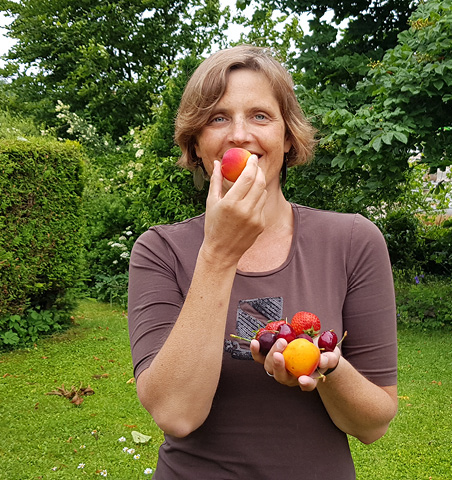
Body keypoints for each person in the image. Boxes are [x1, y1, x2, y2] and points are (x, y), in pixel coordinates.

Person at [128, 45, 398, 479]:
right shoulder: (160, 250)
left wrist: (326, 366)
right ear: (196, 144)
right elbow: (176, 414)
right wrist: (218, 253)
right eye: (217, 118)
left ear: (288, 137)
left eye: (260, 116)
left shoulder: (352, 240)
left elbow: (374, 423)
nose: (238, 134)